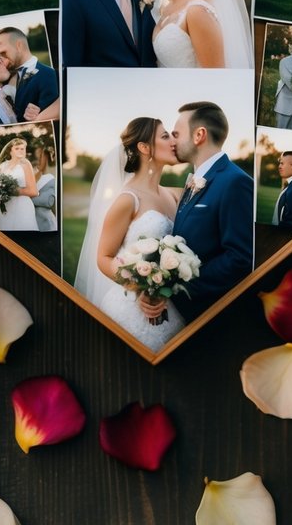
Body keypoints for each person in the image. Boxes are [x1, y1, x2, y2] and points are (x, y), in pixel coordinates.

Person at [74, 117, 185, 352]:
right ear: (145, 148)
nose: (173, 141)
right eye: (165, 136)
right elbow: (103, 258)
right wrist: (142, 287)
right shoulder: (127, 200)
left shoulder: (172, 195)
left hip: (168, 305)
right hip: (129, 310)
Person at [140, 101, 253, 322]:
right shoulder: (194, 179)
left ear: (199, 135)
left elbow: (239, 258)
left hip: (210, 317)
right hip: (185, 314)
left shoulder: (235, 181)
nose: (172, 141)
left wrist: (175, 284)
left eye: (176, 133)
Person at [0, 26, 59, 122]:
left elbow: (49, 120)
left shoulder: (48, 74)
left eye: (3, 52)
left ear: (19, 45)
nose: (0, 57)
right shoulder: (6, 75)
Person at [0, 136, 39, 231]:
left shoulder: (25, 164)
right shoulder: (3, 166)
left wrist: (11, 190)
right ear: (10, 151)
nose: (20, 151)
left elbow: (33, 191)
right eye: (17, 148)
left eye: (22, 149)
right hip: (6, 206)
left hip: (22, 206)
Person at [31, 143, 57, 232]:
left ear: (45, 158)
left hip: (44, 223)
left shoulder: (50, 179)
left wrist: (25, 198)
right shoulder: (29, 176)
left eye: (40, 156)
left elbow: (48, 201)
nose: (37, 160)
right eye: (36, 156)